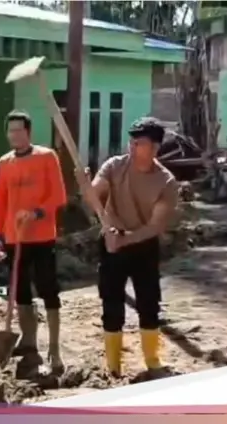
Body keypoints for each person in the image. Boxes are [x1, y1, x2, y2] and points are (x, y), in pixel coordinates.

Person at [83, 116, 179, 378]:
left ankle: (153, 361)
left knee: (149, 302)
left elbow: (155, 226)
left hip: (143, 245)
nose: (133, 145)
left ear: (155, 147)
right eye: (132, 140)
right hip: (111, 240)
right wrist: (86, 187)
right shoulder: (114, 166)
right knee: (111, 301)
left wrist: (124, 239)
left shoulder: (166, 182)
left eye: (140, 142)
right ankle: (113, 366)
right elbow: (95, 196)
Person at [0, 110, 67, 373]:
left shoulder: (46, 157)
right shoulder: (4, 163)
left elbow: (59, 196)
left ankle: (54, 349)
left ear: (29, 132)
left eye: (19, 130)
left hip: (42, 236)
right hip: (13, 238)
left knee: (48, 290)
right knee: (19, 291)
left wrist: (36, 213)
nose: (14, 135)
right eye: (11, 131)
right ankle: (29, 341)